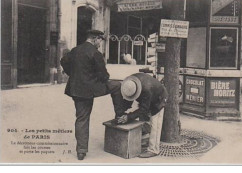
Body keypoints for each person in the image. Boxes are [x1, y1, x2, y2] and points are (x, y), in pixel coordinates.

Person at [61, 30, 128, 160]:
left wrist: (73, 74)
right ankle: (120, 114)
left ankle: (81, 151)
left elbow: (63, 61)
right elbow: (104, 76)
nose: (100, 44)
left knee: (82, 118)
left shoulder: (75, 50)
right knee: (117, 86)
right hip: (91, 89)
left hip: (76, 89)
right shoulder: (95, 53)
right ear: (95, 39)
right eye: (100, 40)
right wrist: (101, 79)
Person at [117, 73, 168, 158]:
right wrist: (123, 112)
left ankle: (153, 149)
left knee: (155, 124)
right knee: (143, 118)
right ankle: (145, 137)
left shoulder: (146, 90)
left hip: (159, 99)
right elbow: (129, 98)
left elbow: (144, 109)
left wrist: (128, 117)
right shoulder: (130, 82)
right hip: (151, 94)